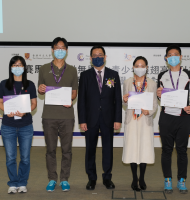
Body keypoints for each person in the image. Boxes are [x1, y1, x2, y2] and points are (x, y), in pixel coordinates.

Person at [78, 46, 122, 190]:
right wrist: (82, 120)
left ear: (105, 57)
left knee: (107, 149)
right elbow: (81, 100)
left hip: (108, 118)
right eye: (95, 55)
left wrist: (117, 119)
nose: (98, 57)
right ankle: (91, 178)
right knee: (90, 149)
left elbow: (117, 99)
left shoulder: (113, 75)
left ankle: (107, 177)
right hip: (90, 118)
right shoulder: (85, 76)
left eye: (100, 55)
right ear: (90, 58)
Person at [38, 37, 78, 192]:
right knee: (51, 150)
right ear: (52, 49)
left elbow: (74, 92)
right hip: (49, 115)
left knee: (67, 150)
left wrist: (71, 99)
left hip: (67, 115)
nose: (60, 50)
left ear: (66, 51)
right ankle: (52, 179)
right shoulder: (43, 68)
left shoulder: (73, 70)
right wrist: (41, 89)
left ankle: (65, 179)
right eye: (57, 47)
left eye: (63, 48)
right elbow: (40, 89)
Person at [156, 44, 190, 194]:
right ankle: (168, 180)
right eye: (170, 55)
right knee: (166, 150)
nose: (173, 57)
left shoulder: (189, 74)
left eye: (176, 54)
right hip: (166, 117)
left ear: (180, 57)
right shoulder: (162, 76)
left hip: (183, 118)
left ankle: (182, 180)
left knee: (182, 150)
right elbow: (159, 96)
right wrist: (158, 94)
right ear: (166, 58)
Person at [0, 56, 37, 194]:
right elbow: (0, 102)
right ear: (11, 67)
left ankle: (22, 183)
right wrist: (6, 111)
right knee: (10, 157)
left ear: (24, 67)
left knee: (25, 157)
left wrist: (25, 112)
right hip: (8, 126)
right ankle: (13, 183)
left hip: (26, 126)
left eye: (20, 65)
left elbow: (34, 103)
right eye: (14, 65)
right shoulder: (4, 84)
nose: (17, 67)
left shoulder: (30, 84)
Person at [122, 56, 157, 191]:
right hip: (132, 120)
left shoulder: (152, 84)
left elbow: (155, 104)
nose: (140, 68)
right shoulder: (127, 82)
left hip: (144, 120)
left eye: (143, 66)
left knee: (144, 149)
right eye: (137, 65)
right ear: (133, 67)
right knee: (132, 149)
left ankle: (142, 178)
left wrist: (149, 111)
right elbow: (125, 103)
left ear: (147, 68)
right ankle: (134, 178)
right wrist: (124, 100)